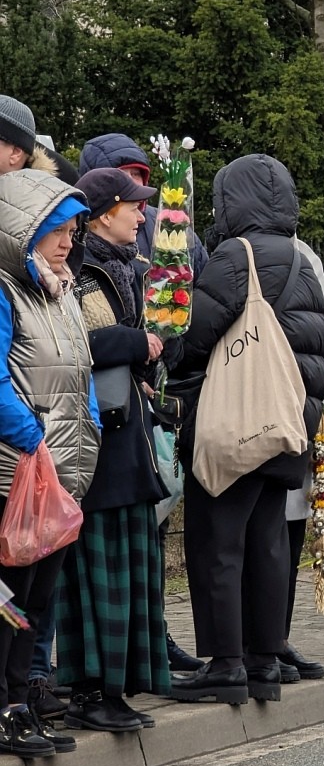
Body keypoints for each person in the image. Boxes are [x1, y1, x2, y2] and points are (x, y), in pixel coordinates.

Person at [163, 155, 324, 703]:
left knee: (218, 541)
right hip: (286, 423)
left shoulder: (237, 256)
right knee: (268, 543)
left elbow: (195, 335)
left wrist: (166, 349)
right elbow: (313, 345)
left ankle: (227, 663)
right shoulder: (303, 259)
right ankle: (265, 660)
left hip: (237, 423)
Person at [55, 168, 168, 734]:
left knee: (126, 562)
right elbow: (77, 343)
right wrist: (138, 342)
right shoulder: (80, 269)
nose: (143, 215)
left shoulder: (126, 268)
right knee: (100, 568)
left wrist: (151, 353)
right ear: (103, 213)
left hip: (126, 435)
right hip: (97, 444)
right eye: (133, 206)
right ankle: (90, 690)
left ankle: (115, 687)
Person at [0, 168, 99, 757]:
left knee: (35, 602)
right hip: (16, 473)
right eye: (54, 229)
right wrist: (33, 436)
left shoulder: (59, 290)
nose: (67, 241)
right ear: (20, 230)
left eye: (72, 229)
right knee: (8, 601)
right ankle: (4, 706)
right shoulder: (6, 290)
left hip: (59, 474)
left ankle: (19, 701)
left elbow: (80, 374)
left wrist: (84, 432)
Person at [278, 237, 324, 682]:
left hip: (307, 402)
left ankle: (278, 636)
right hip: (259, 405)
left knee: (290, 530)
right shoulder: (229, 249)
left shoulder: (302, 251)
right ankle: (253, 643)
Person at [77, 132, 209, 274]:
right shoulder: (73, 234)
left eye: (135, 174)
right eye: (120, 175)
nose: (130, 182)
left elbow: (205, 282)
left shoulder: (170, 223)